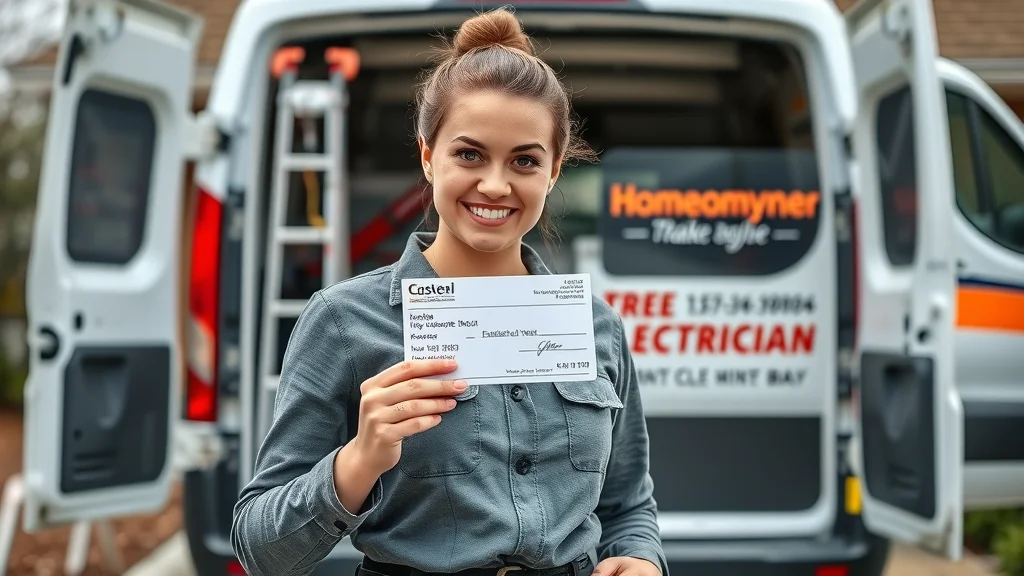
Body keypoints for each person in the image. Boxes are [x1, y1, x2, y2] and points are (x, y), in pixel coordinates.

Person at [230, 7, 668, 576]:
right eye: (469, 154)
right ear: (427, 156)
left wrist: (639, 558)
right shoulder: (343, 321)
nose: (495, 184)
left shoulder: (595, 325)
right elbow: (259, 547)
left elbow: (628, 505)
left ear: (554, 170)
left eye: (525, 161)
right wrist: (357, 462)